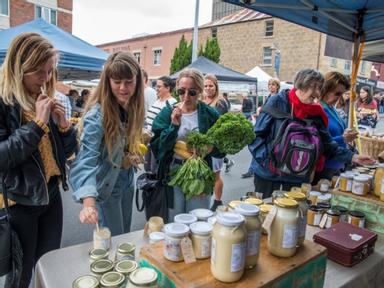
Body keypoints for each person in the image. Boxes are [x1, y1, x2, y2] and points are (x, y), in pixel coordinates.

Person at [0, 32, 77, 288]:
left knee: (49, 265)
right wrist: (37, 125)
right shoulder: (3, 101)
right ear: (20, 67)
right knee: (21, 276)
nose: (46, 79)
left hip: (51, 193)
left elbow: (67, 153)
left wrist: (64, 126)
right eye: (40, 72)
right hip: (19, 201)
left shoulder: (41, 97)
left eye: (49, 71)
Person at [249, 68, 374, 199]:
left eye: (320, 88)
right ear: (300, 86)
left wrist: (352, 157)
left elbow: (327, 144)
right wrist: (267, 161)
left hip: (297, 176)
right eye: (314, 87)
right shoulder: (277, 102)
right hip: (267, 174)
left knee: (292, 212)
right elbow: (256, 136)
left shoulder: (316, 112)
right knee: (265, 210)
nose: (318, 93)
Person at [70, 51, 144, 236]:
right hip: (107, 185)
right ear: (107, 81)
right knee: (114, 240)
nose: (123, 88)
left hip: (127, 181)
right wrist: (88, 204)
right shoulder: (97, 115)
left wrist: (131, 153)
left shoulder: (133, 107)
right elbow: (86, 158)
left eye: (128, 81)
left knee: (124, 235)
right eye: (117, 81)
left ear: (137, 80)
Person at [151, 68, 225, 222]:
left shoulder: (209, 114)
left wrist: (211, 149)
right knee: (176, 219)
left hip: (200, 174)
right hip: (173, 171)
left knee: (198, 219)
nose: (186, 96)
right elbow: (158, 147)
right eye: (181, 91)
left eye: (192, 92)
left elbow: (222, 148)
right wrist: (173, 126)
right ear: (176, 88)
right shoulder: (167, 113)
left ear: (199, 91)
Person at [316, 71, 358, 181]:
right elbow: (318, 142)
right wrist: (343, 138)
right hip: (324, 166)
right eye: (337, 93)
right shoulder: (318, 109)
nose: (339, 98)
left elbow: (338, 132)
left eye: (341, 94)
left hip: (336, 164)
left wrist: (348, 134)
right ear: (326, 89)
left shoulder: (331, 107)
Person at [203, 74, 232, 211]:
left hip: (216, 147)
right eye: (206, 86)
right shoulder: (202, 100)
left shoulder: (220, 102)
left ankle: (217, 201)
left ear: (216, 87)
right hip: (204, 145)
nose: (208, 88)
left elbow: (221, 126)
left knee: (216, 174)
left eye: (211, 85)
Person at [242, 78, 281, 179]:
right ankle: (252, 170)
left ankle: (257, 171)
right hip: (263, 127)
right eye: (269, 84)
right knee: (257, 149)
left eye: (273, 84)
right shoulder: (268, 97)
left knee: (262, 151)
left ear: (277, 86)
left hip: (270, 130)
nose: (270, 86)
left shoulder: (278, 98)